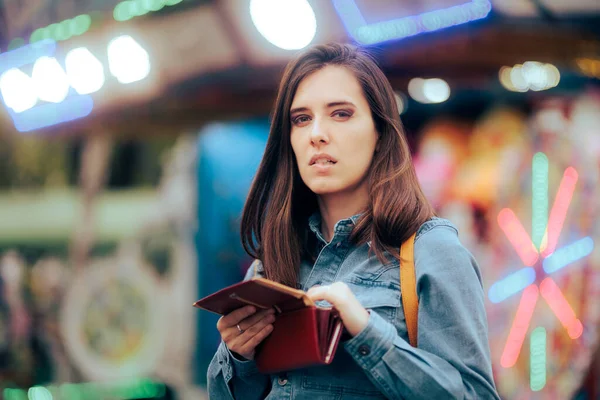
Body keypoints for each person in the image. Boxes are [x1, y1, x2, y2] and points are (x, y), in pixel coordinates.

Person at [206, 43, 500, 400]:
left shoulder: (431, 251)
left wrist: (365, 330)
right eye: (301, 119)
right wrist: (239, 356)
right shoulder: (269, 269)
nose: (316, 133)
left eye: (340, 114)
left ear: (380, 132)